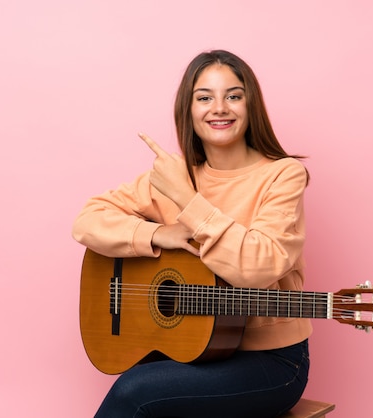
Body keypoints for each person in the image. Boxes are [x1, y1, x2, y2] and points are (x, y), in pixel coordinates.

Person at [72, 49, 312, 418]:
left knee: (135, 393)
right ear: (189, 109)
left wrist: (188, 200)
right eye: (205, 98)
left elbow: (259, 266)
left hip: (271, 364)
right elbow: (87, 221)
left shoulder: (282, 175)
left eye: (234, 95)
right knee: (142, 381)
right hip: (194, 351)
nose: (220, 108)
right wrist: (156, 234)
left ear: (252, 106)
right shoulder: (175, 172)